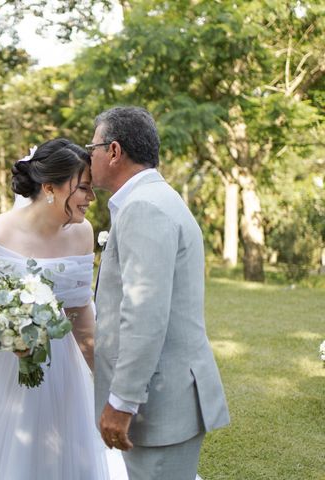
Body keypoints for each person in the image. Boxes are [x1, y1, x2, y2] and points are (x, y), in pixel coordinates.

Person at [0, 138, 124, 480]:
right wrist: (2, 330)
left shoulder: (81, 234)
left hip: (61, 369)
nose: (91, 198)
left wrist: (111, 385)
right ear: (50, 188)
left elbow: (81, 318)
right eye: (84, 188)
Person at [91, 106, 230, 480]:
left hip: (158, 399)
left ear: (114, 151)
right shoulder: (156, 197)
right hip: (167, 394)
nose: (90, 157)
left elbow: (144, 315)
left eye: (93, 148)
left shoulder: (143, 208)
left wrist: (121, 402)